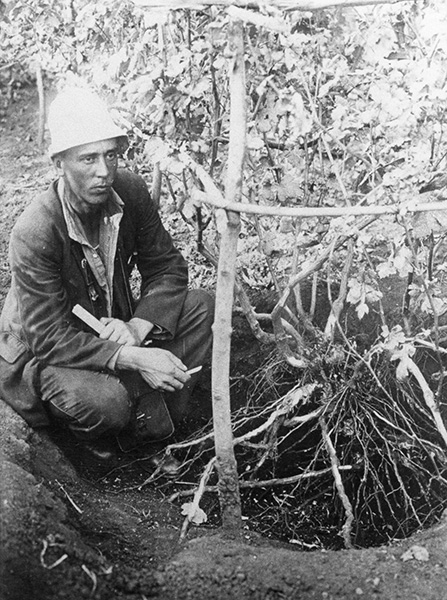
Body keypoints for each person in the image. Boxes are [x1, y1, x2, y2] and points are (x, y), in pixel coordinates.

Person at [0, 87, 214, 474]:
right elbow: (48, 337)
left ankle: (156, 426)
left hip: (112, 326)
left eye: (110, 155)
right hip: (46, 352)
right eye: (87, 158)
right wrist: (132, 355)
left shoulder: (128, 191)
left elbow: (166, 267)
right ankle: (92, 446)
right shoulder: (36, 231)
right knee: (106, 403)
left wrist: (136, 327)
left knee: (203, 308)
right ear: (59, 163)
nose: (103, 171)